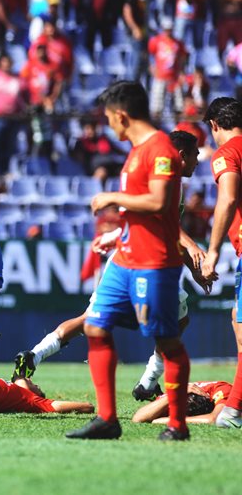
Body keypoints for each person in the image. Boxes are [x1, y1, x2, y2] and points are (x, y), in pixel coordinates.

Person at [12, 130, 205, 404]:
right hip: (147, 263)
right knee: (177, 324)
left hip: (125, 257)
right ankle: (150, 384)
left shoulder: (160, 177)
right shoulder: (165, 181)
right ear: (182, 155)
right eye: (195, 154)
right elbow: (165, 224)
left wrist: (115, 236)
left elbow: (153, 224)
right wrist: (194, 252)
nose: (198, 161)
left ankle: (35, 354)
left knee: (90, 319)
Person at [66, 81, 191, 442]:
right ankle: (107, 420)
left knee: (167, 341)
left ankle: (178, 425)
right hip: (125, 258)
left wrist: (110, 196)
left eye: (109, 119)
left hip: (154, 262)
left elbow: (157, 201)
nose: (109, 126)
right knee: (95, 326)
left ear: (121, 115)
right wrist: (118, 233)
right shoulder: (136, 150)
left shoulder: (160, 148)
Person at [196, 97, 242, 428]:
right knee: (236, 318)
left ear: (214, 125)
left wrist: (212, 251)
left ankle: (234, 411)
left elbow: (227, 197)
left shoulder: (227, 153)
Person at [132, 381, 234, 425]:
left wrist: (168, 420)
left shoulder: (223, 390)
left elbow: (215, 418)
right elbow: (138, 418)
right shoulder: (176, 397)